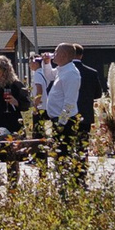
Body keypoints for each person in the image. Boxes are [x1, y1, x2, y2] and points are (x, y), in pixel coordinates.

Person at [44, 42, 87, 186]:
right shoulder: (62, 69)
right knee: (57, 152)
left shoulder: (71, 74)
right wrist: (46, 63)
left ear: (63, 55)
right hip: (57, 119)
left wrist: (61, 122)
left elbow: (70, 102)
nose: (53, 54)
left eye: (55, 52)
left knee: (64, 152)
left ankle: (69, 182)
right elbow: (49, 75)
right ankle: (61, 179)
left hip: (66, 121)